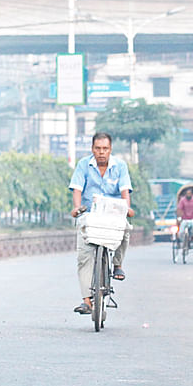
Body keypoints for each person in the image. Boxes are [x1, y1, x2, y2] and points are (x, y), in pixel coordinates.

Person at [69, 132, 134, 315]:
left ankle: (118, 264)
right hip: (90, 214)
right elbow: (77, 189)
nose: (101, 152)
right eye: (98, 148)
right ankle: (86, 301)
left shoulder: (120, 166)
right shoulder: (84, 165)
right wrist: (76, 207)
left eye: (105, 149)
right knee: (84, 256)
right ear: (92, 149)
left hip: (113, 213)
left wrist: (127, 208)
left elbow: (124, 191)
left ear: (110, 150)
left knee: (125, 228)